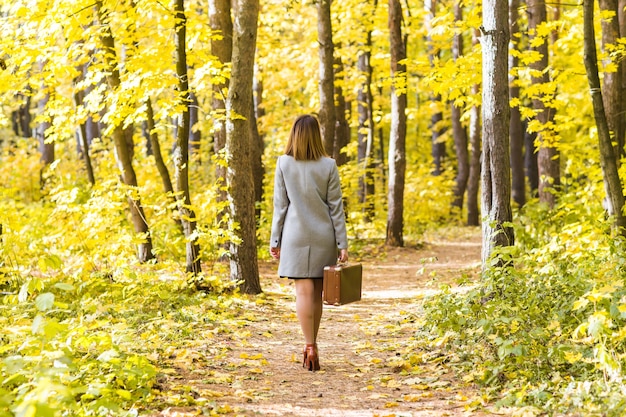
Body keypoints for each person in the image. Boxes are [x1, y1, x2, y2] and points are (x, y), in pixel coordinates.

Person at [270, 114, 349, 372]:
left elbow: (280, 207)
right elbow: (336, 207)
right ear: (317, 135)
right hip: (324, 235)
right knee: (316, 293)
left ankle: (309, 345)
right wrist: (342, 244)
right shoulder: (328, 165)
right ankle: (313, 343)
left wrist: (276, 239)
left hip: (294, 235)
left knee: (303, 293)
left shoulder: (283, 163)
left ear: (294, 134)